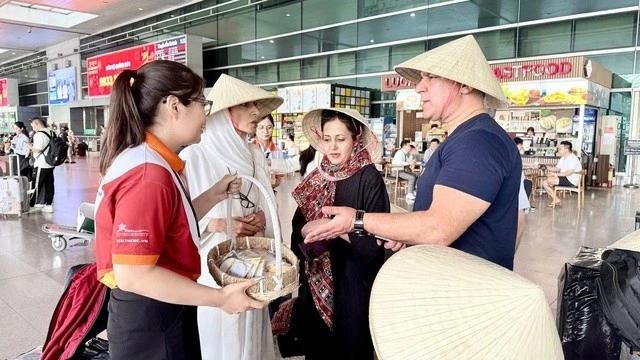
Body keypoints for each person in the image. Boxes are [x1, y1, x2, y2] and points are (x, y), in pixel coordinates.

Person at [303, 35, 522, 270]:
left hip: (465, 295)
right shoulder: (467, 138)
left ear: (464, 84)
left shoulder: (477, 141)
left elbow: (437, 229)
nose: (419, 86)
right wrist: (403, 230)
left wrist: (355, 220)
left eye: (431, 77)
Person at [94, 61, 263, 360]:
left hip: (161, 306)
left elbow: (170, 224)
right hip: (151, 318)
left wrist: (212, 196)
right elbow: (135, 274)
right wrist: (220, 298)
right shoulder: (148, 175)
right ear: (174, 106)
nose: (205, 115)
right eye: (201, 103)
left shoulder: (155, 160)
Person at [179, 73, 282, 360]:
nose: (255, 112)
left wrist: (261, 218)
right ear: (225, 112)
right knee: (222, 331)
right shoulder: (195, 156)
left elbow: (266, 202)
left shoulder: (254, 154)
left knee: (253, 325)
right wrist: (221, 223)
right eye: (246, 105)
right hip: (217, 264)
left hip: (253, 259)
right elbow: (180, 222)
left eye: (256, 106)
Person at [289, 107, 389, 359]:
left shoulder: (369, 178)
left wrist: (338, 229)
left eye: (341, 139)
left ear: (356, 138)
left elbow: (376, 246)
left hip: (353, 286)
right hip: (315, 286)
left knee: (351, 348)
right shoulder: (316, 176)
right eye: (327, 138)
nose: (332, 147)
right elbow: (296, 229)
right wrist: (306, 229)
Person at [542, 141, 582, 207]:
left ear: (566, 149)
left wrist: (555, 175)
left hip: (572, 180)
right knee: (545, 183)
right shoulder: (563, 158)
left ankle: (556, 199)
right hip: (566, 178)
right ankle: (556, 199)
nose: (558, 150)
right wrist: (546, 167)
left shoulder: (572, 158)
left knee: (549, 180)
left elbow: (569, 172)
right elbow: (557, 168)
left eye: (560, 149)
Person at [29, 117, 56, 212]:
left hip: (41, 163)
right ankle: (48, 204)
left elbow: (38, 149)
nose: (32, 128)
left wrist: (30, 147)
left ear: (37, 124)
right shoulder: (51, 132)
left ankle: (31, 204)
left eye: (32, 126)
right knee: (49, 184)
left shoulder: (39, 134)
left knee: (36, 184)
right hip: (50, 163)